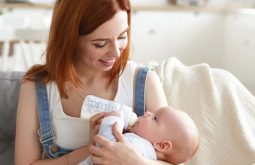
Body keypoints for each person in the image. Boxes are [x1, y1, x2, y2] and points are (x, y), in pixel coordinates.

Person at [15, 0, 171, 164]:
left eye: (122, 36)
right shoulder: (36, 87)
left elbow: (176, 158)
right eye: (100, 44)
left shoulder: (144, 81)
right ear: (71, 38)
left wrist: (133, 160)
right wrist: (94, 148)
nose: (116, 53)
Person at [79, 106, 200, 165]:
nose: (147, 113)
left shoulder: (140, 147)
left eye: (155, 118)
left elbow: (105, 147)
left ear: (162, 145)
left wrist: (113, 118)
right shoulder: (147, 154)